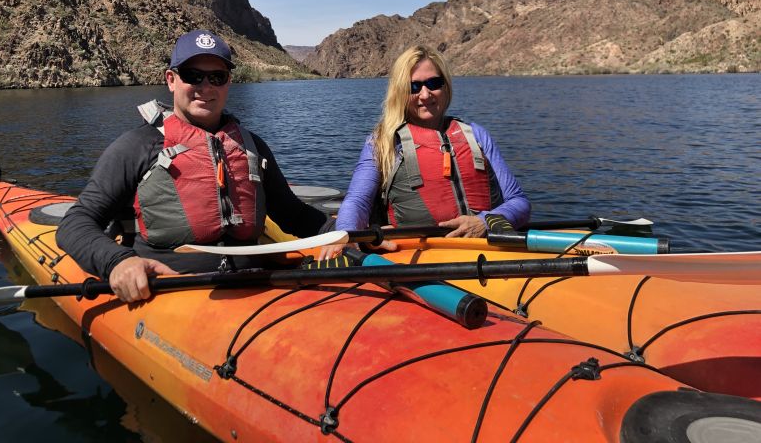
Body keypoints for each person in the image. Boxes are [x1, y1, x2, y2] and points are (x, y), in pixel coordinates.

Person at [57, 30, 329, 302]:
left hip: (255, 286)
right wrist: (117, 261)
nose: (206, 86)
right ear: (171, 80)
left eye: (217, 77)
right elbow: (76, 222)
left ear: (228, 82)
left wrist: (339, 233)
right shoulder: (137, 147)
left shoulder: (252, 146)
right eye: (193, 75)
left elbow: (292, 213)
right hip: (169, 292)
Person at [323, 45, 530, 258]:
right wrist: (345, 237)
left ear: (446, 86)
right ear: (400, 91)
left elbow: (518, 201)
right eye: (414, 86)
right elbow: (357, 201)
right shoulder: (382, 142)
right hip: (416, 258)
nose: (425, 94)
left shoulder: (477, 135)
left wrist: (484, 221)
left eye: (434, 83)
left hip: (485, 253)